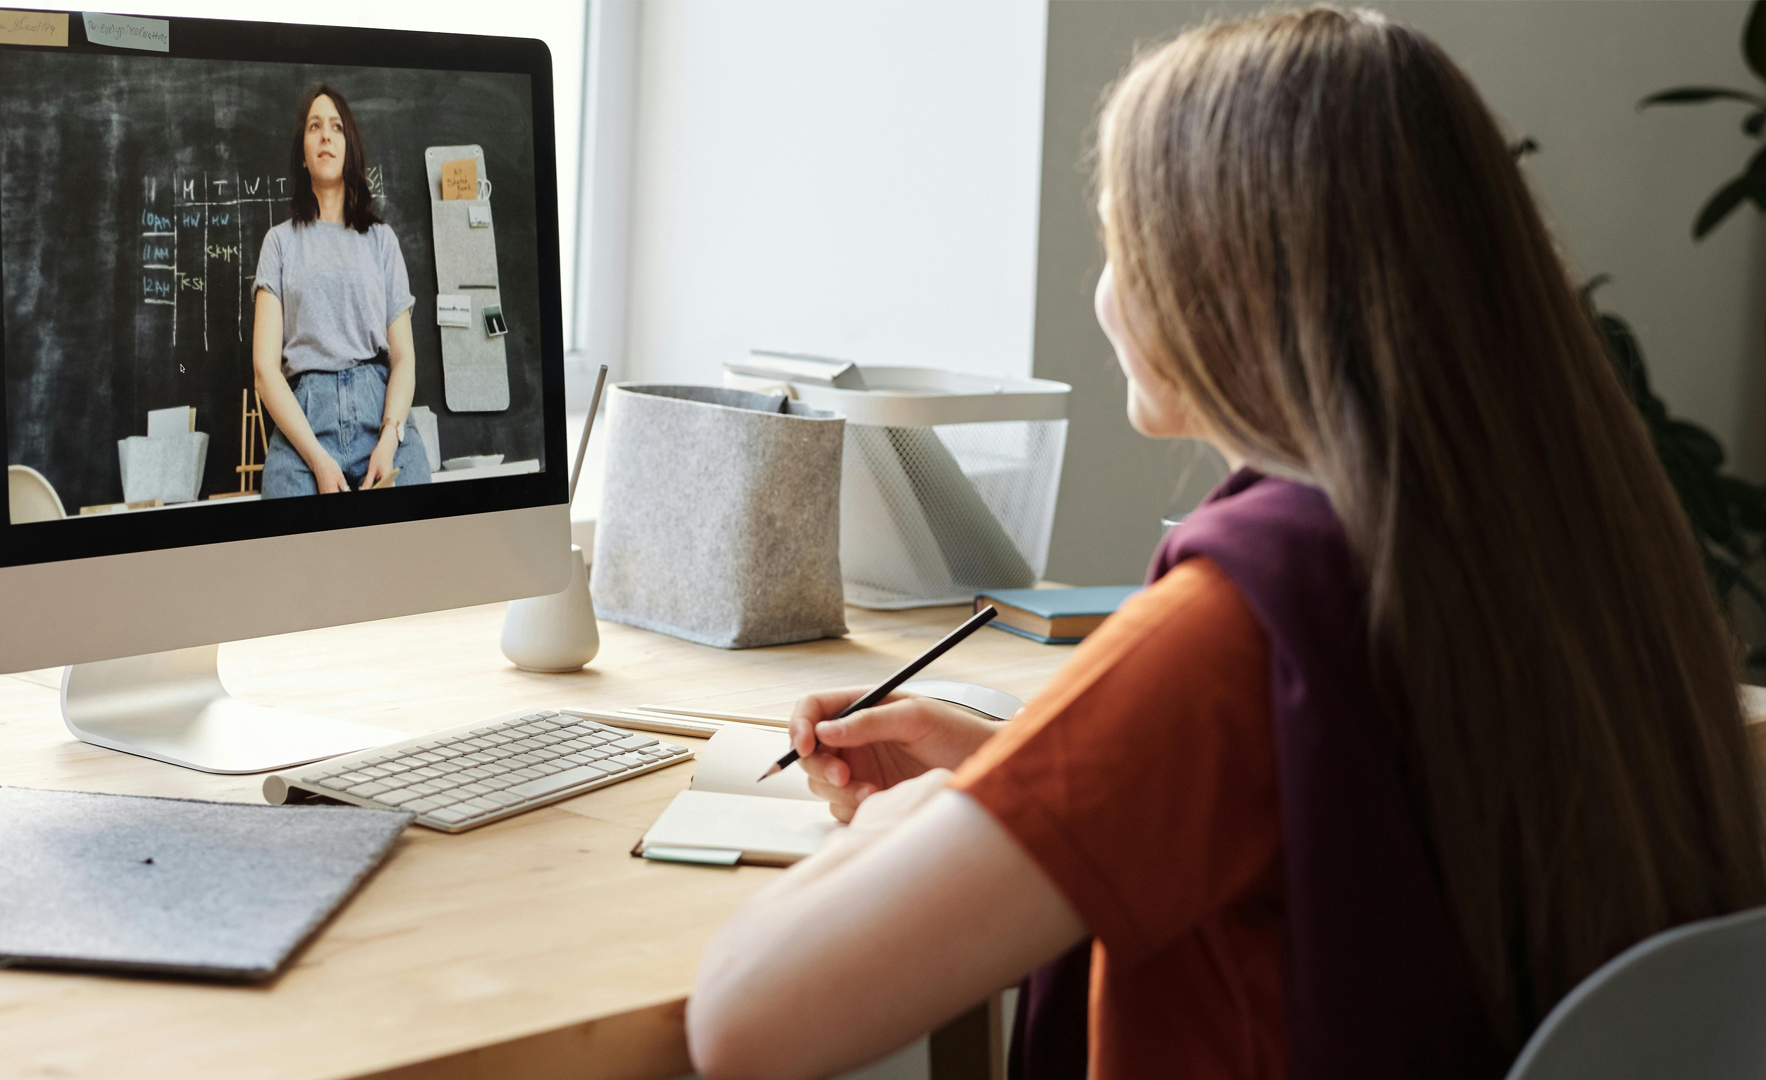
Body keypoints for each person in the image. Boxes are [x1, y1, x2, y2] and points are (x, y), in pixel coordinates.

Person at [684, 9, 1766, 1080]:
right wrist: (1042, 786)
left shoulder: (1251, 623)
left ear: (1222, 272)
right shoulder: (1568, 548)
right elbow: (1365, 851)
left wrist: (953, 814)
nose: (1104, 293)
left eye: (1120, 241)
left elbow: (743, 1021)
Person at [252, 84, 430, 498]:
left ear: (349, 147)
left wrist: (390, 436)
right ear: (303, 152)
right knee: (293, 555)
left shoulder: (381, 240)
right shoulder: (278, 243)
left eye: (336, 127)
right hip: (305, 424)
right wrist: (316, 458)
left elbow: (403, 356)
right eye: (315, 127)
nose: (326, 135)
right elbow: (264, 370)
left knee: (413, 548)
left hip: (380, 411)